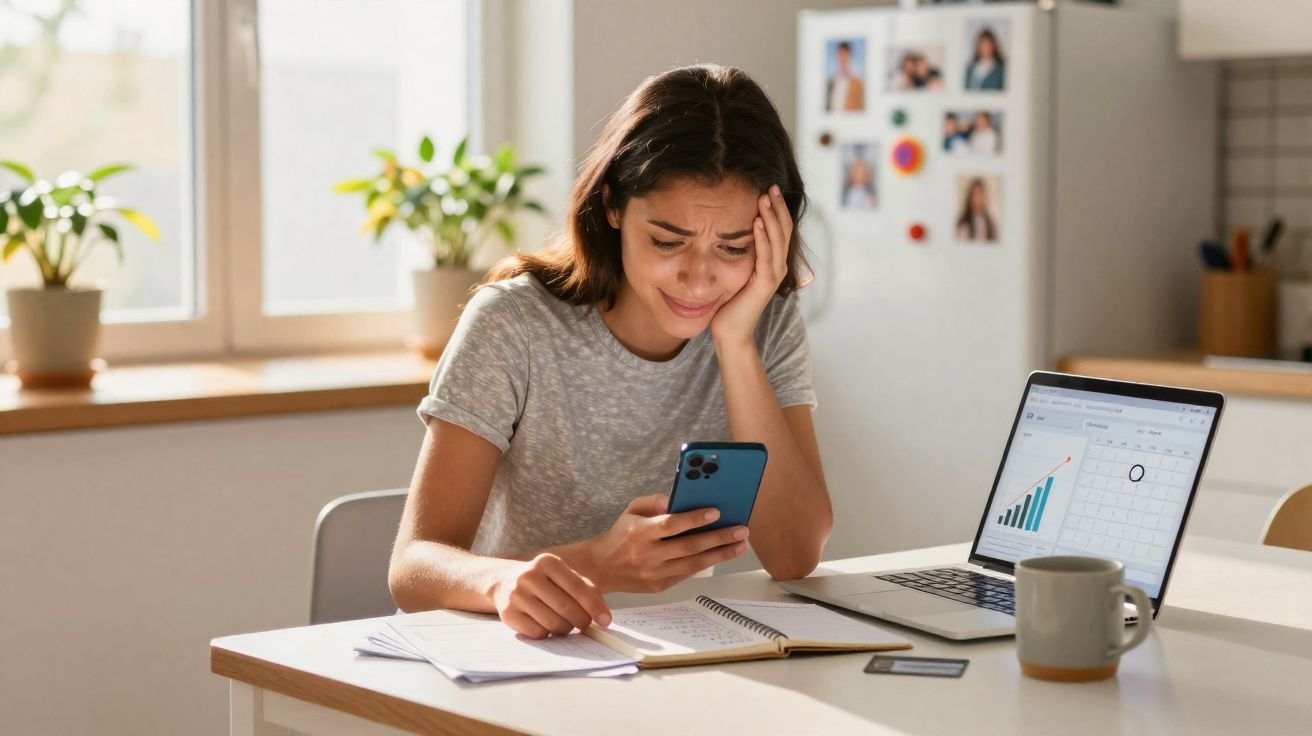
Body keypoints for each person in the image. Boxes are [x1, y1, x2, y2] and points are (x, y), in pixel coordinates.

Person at [389, 64, 832, 639]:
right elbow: (413, 567)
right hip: (522, 651)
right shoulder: (513, 323)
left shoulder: (763, 320)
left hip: (684, 654)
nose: (699, 280)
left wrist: (735, 344)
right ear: (614, 206)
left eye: (734, 246)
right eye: (667, 241)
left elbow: (795, 556)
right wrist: (588, 565)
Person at [826, 40, 865, 112]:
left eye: (845, 55)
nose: (842, 59)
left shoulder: (857, 82)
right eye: (840, 55)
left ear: (850, 56)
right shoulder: (830, 82)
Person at [956, 177, 998, 242]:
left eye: (981, 194)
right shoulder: (964, 222)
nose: (978, 198)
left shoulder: (990, 223)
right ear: (970, 197)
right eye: (975, 194)